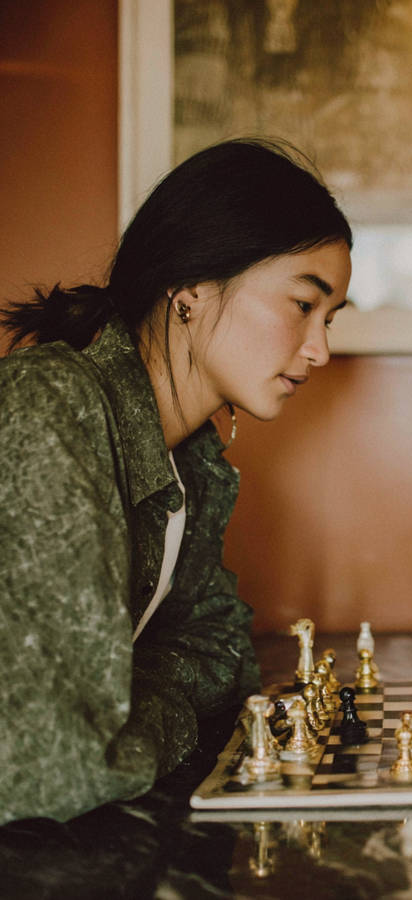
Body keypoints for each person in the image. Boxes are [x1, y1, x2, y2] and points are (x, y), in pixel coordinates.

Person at [0, 139, 352, 824]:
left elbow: (223, 652)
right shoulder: (49, 411)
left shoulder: (191, 458)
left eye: (331, 318)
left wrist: (137, 706)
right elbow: (58, 764)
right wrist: (165, 714)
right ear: (191, 291)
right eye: (302, 305)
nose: (321, 350)